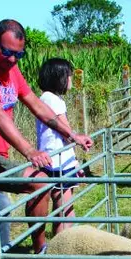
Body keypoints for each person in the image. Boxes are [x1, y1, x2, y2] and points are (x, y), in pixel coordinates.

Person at [0, 19, 93, 255]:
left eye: (19, 54)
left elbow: (36, 105)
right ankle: (33, 253)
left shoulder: (11, 68)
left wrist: (72, 134)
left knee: (38, 184)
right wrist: (30, 151)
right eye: (7, 52)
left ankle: (40, 250)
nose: (12, 59)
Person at [36, 58, 84, 235]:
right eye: (69, 76)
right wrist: (76, 140)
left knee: (64, 204)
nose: (71, 79)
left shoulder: (47, 98)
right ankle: (63, 246)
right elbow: (66, 131)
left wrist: (74, 161)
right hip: (58, 159)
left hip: (59, 157)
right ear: (60, 78)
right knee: (64, 205)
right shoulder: (52, 100)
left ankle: (63, 243)